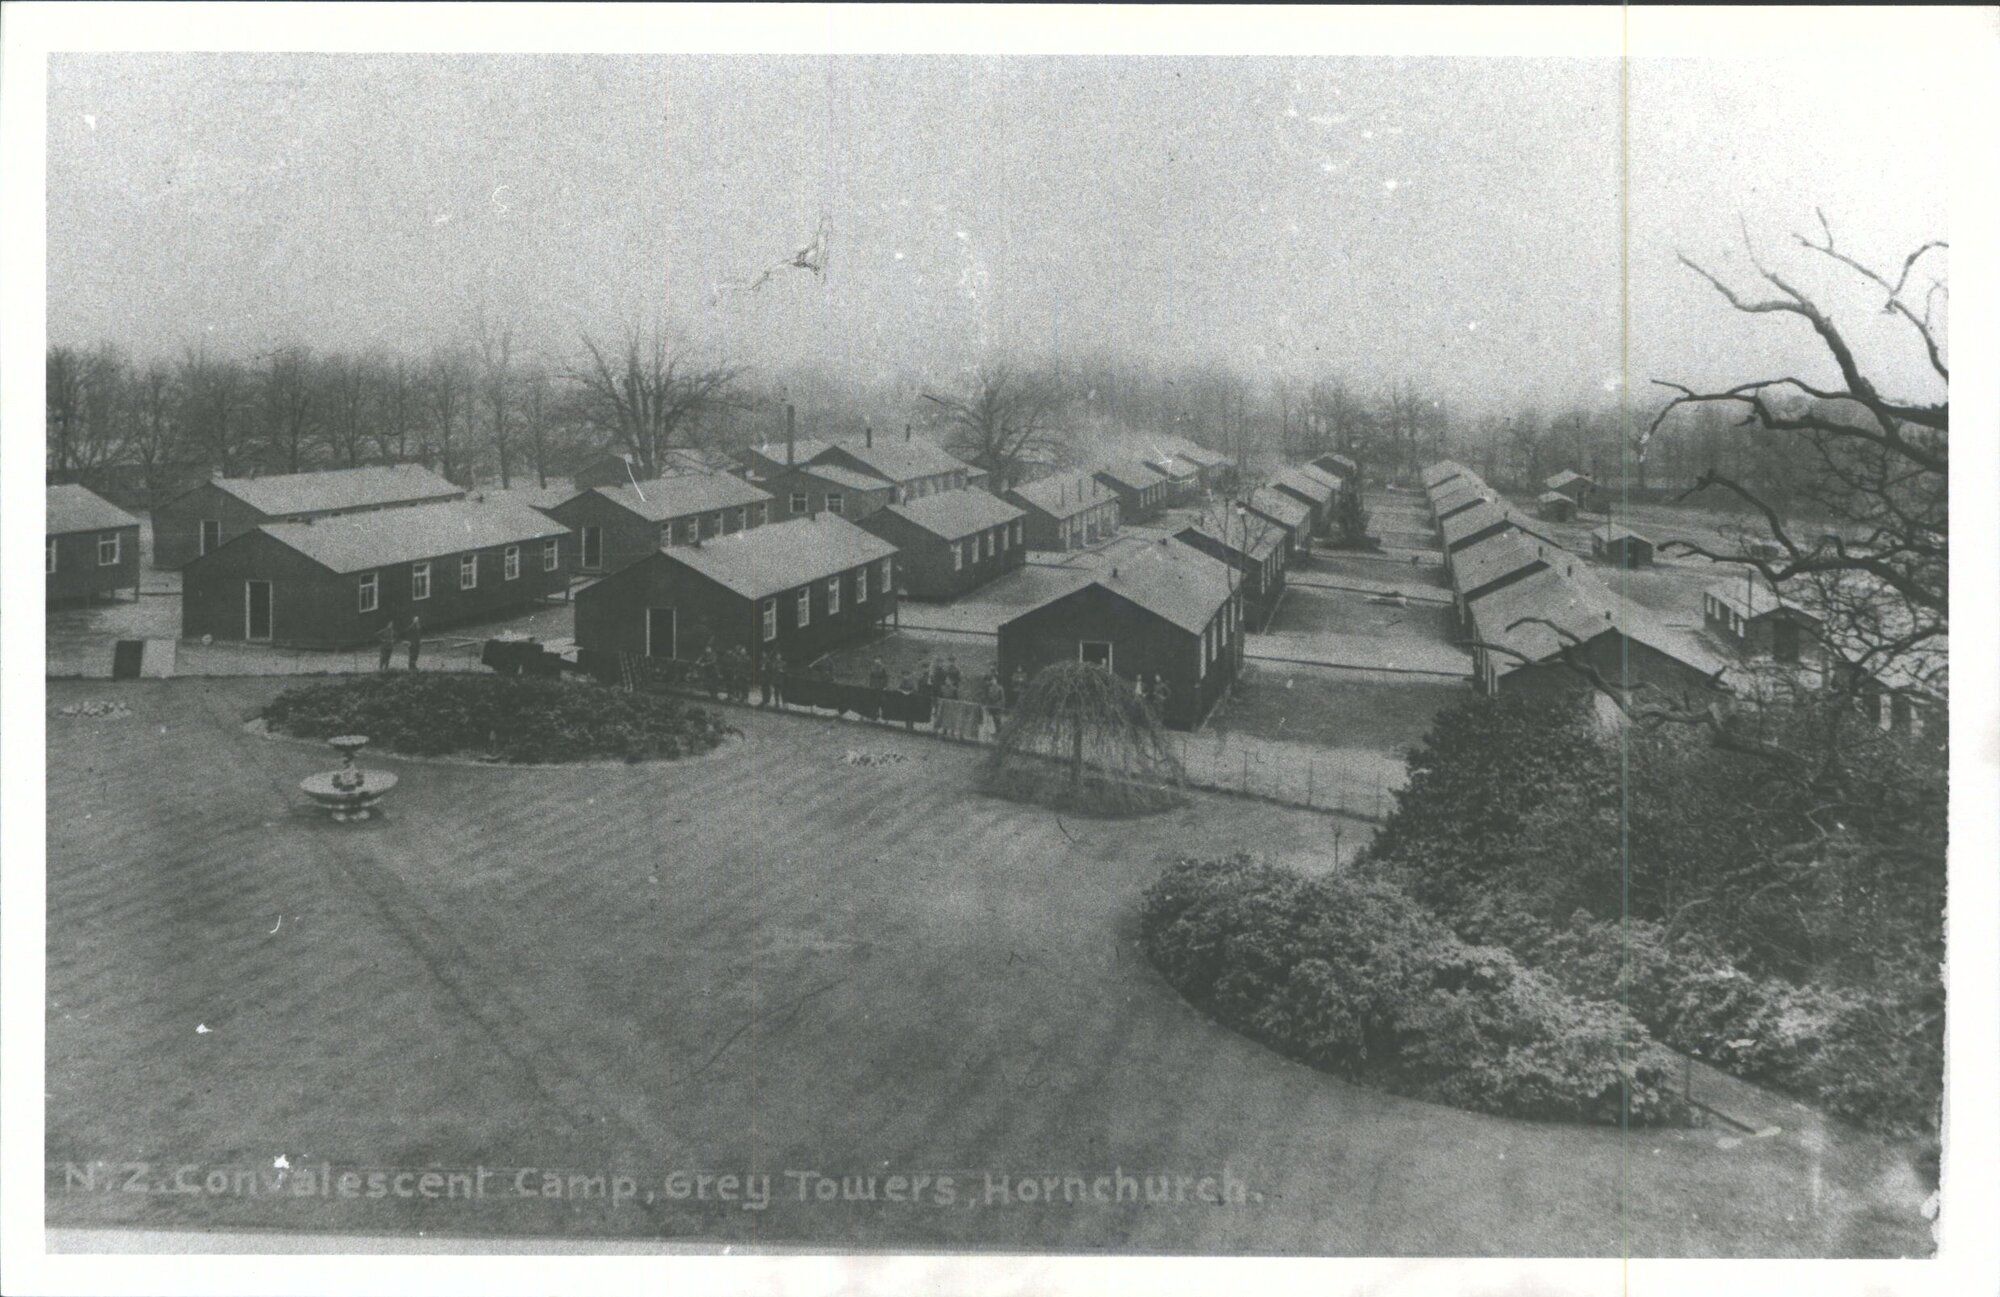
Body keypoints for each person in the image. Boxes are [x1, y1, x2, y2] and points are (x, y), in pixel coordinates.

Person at [981, 670, 1006, 734]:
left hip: (998, 707)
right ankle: (994, 732)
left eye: (994, 679)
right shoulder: (990, 688)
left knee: (998, 720)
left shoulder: (1000, 688)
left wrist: (1000, 706)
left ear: (996, 680)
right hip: (991, 706)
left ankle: (1000, 732)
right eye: (992, 680)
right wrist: (988, 705)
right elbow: (988, 697)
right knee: (992, 720)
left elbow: (1002, 698)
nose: (993, 681)